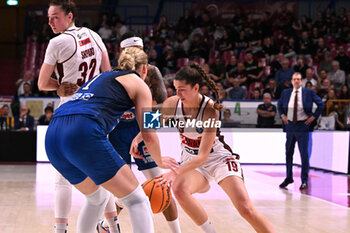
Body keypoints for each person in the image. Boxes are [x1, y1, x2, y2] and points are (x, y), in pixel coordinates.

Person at [45, 47, 178, 233]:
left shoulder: (102, 77)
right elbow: (149, 133)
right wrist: (159, 159)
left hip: (53, 134)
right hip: (83, 131)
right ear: (145, 69)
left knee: (96, 198)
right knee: (137, 199)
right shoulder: (140, 84)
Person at [131, 64, 275, 233]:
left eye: (182, 89)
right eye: (176, 89)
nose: (178, 94)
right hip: (192, 162)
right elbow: (150, 124)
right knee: (179, 190)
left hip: (218, 159)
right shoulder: (172, 103)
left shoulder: (210, 109)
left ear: (196, 88)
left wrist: (173, 173)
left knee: (245, 209)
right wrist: (138, 138)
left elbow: (203, 156)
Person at [37, 1, 113, 232]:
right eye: (49, 17)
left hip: (70, 113)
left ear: (69, 16)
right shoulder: (94, 35)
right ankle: (113, 226)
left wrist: (59, 87)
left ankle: (61, 229)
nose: (50, 22)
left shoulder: (57, 42)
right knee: (106, 174)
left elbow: (41, 83)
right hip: (97, 112)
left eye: (55, 17)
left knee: (62, 177)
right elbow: (107, 74)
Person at [101, 32, 182, 233]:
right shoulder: (113, 73)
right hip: (117, 134)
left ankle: (176, 231)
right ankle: (105, 225)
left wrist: (141, 134)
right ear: (123, 53)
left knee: (161, 185)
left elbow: (160, 107)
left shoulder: (151, 72)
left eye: (140, 50)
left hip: (140, 129)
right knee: (120, 188)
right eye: (132, 51)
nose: (137, 54)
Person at [277, 73, 324, 190]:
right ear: (292, 81)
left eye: (298, 79)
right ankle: (288, 177)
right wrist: (282, 115)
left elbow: (321, 104)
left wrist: (314, 116)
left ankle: (304, 180)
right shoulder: (286, 92)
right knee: (288, 153)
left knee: (304, 154)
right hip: (290, 126)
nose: (296, 81)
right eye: (294, 79)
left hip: (303, 126)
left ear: (301, 81)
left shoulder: (309, 92)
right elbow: (279, 104)